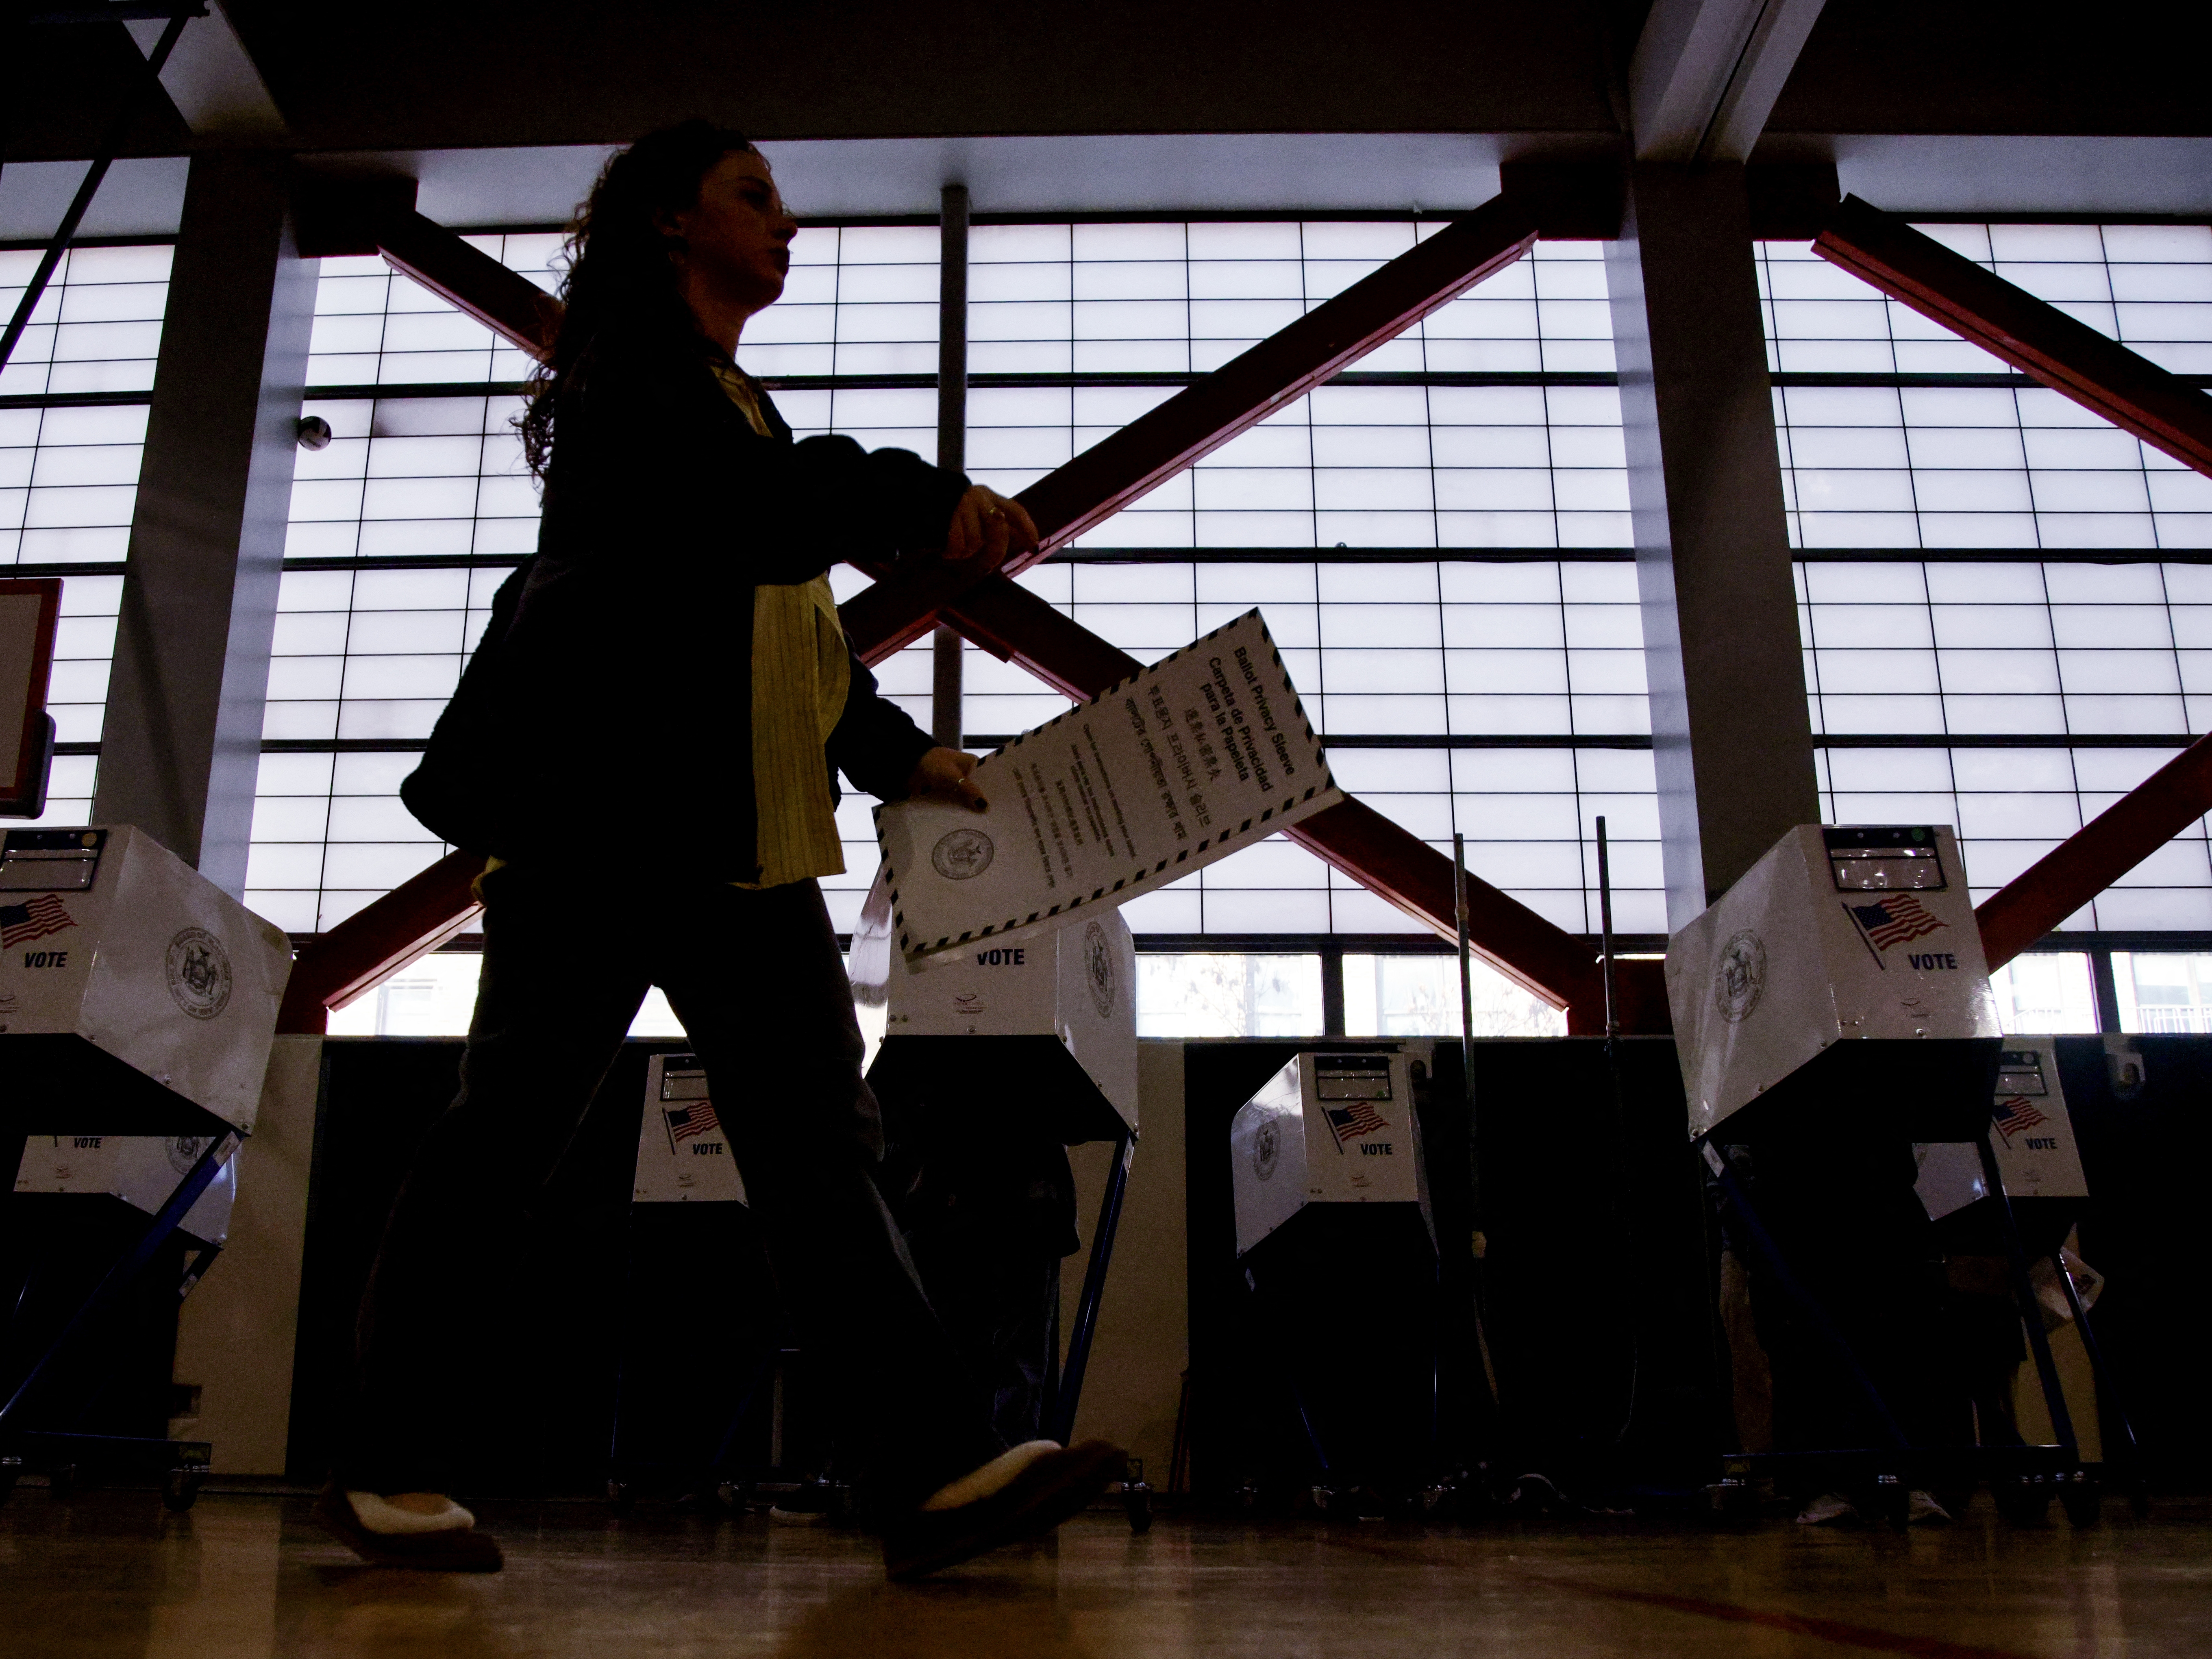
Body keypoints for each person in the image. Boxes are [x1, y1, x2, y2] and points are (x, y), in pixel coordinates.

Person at [313, 120, 1124, 1579]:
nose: (789, 221)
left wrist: (898, 755)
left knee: (824, 1152)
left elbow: (783, 635)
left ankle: (932, 1470)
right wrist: (914, 496)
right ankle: (389, 1465)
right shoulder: (638, 386)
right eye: (756, 196)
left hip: (737, 854)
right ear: (670, 224)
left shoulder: (727, 403)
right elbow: (758, 526)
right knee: (504, 1139)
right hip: (598, 836)